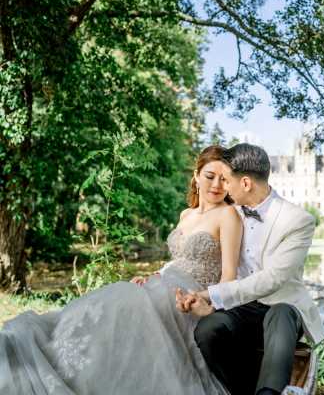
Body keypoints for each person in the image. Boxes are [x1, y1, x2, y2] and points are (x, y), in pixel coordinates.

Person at [0, 145, 240, 395]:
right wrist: (156, 274)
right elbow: (179, 259)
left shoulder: (228, 215)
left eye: (224, 179)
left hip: (188, 298)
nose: (217, 185)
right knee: (111, 304)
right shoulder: (185, 215)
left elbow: (229, 276)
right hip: (162, 283)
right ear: (196, 175)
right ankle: (57, 360)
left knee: (123, 308)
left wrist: (206, 305)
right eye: (211, 176)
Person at [177, 143, 324, 395]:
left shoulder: (297, 220)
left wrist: (208, 295)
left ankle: (268, 393)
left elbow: (274, 278)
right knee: (209, 329)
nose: (223, 187)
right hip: (243, 308)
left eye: (227, 180)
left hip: (284, 307)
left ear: (245, 183)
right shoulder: (229, 213)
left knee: (280, 314)